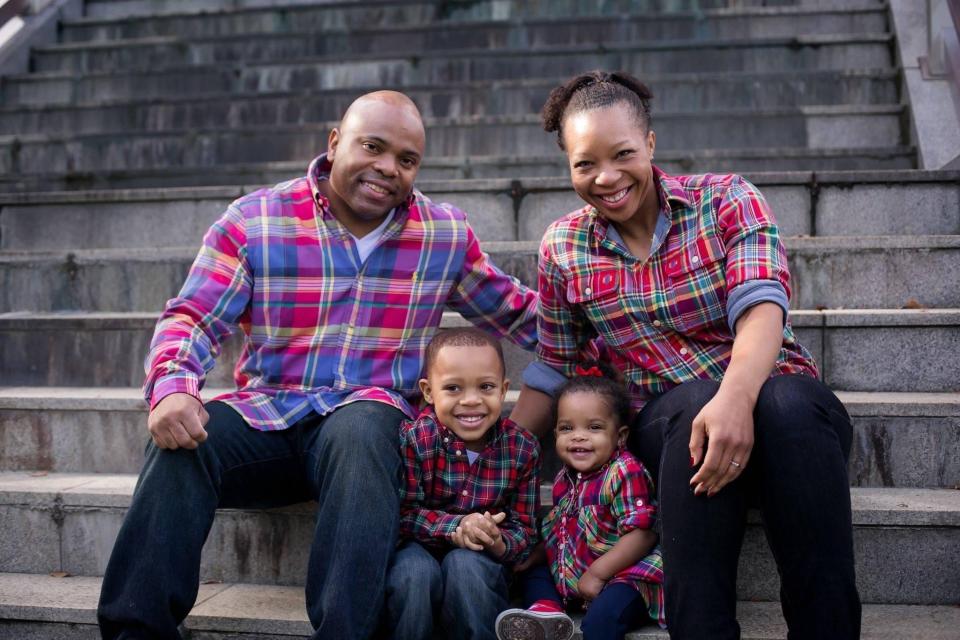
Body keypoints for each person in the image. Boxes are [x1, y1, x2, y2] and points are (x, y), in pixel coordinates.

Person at [97, 91, 543, 640]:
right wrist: (171, 387)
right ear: (335, 144)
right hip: (270, 414)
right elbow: (193, 315)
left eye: (406, 160)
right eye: (373, 147)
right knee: (182, 441)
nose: (388, 169)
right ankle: (134, 633)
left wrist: (619, 332)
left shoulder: (442, 234)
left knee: (363, 426)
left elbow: (517, 311)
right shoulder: (256, 219)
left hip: (365, 431)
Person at [521, 70, 861, 639]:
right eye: (585, 164)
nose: (606, 178)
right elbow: (554, 365)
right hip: (675, 431)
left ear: (650, 144)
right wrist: (495, 459)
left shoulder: (727, 199)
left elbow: (761, 308)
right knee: (693, 402)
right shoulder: (563, 247)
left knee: (787, 405)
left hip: (783, 414)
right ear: (567, 163)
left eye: (623, 153)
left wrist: (736, 398)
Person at [384, 327, 540, 640]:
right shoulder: (416, 439)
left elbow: (525, 530)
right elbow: (402, 515)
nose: (471, 401)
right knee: (413, 574)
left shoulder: (522, 448)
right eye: (453, 388)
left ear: (502, 390)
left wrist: (497, 540)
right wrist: (458, 525)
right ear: (428, 392)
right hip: (418, 547)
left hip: (480, 561)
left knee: (465, 567)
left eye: (485, 387)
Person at [496, 362, 664, 640]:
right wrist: (536, 555)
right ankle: (546, 611)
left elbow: (642, 535)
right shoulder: (565, 477)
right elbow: (561, 530)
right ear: (555, 435)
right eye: (566, 428)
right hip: (576, 573)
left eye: (594, 427)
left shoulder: (624, 471)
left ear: (620, 436)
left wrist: (598, 574)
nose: (579, 436)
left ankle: (590, 617)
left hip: (624, 578)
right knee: (533, 570)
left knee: (602, 622)